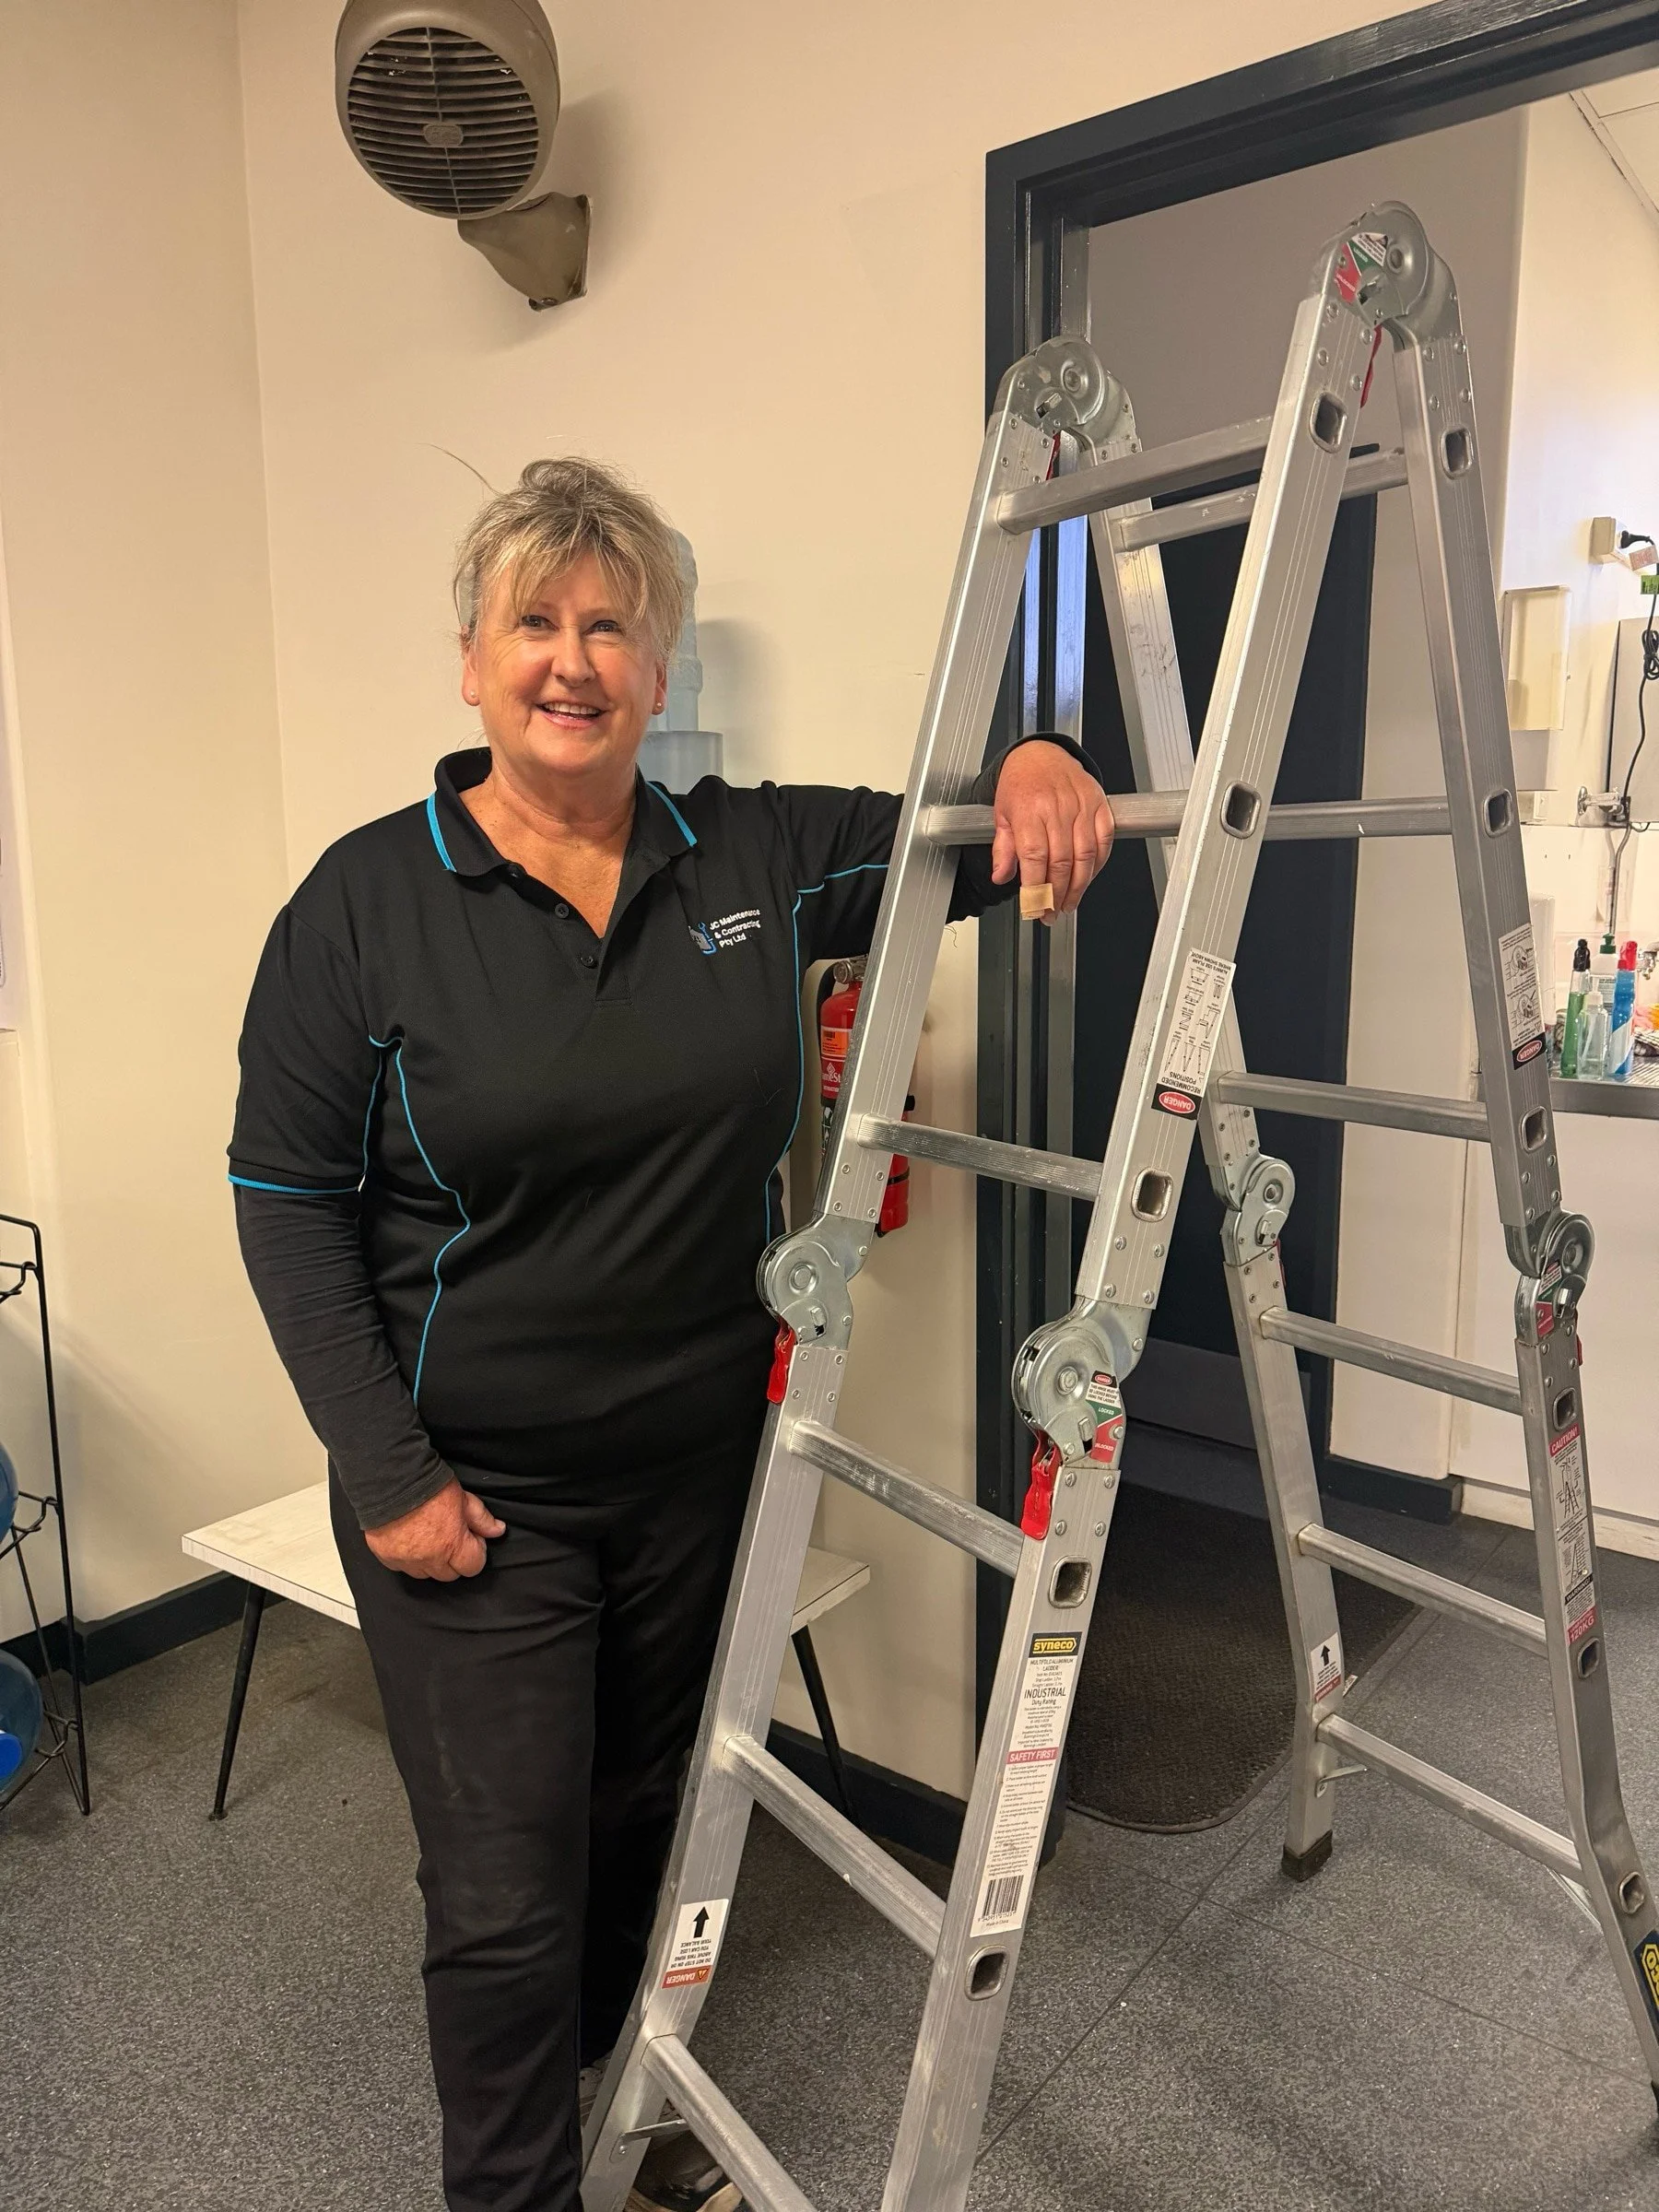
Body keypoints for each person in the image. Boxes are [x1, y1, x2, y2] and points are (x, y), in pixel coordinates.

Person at [229, 456, 1115, 2212]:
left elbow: (956, 831)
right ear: (471, 663)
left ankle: (622, 2102)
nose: (575, 659)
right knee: (500, 1887)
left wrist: (1027, 757)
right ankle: (514, 2188)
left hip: (696, 1473)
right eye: (536, 623)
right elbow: (282, 1202)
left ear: (658, 666)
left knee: (647, 1820)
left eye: (611, 625)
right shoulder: (362, 906)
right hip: (466, 1495)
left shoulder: (751, 853)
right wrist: (387, 1474)